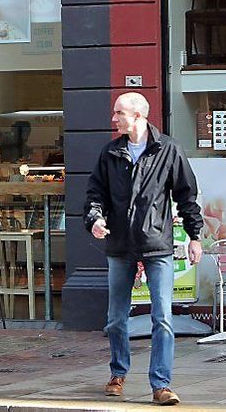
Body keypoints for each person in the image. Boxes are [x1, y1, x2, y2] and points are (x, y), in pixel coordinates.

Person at [84, 92, 203, 406]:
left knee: (162, 317)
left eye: (119, 113)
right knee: (115, 318)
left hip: (156, 245)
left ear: (137, 116)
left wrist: (194, 236)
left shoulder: (168, 149)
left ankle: (161, 384)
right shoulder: (110, 153)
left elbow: (186, 196)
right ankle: (118, 372)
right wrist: (95, 219)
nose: (114, 118)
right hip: (120, 245)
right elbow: (96, 193)